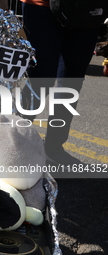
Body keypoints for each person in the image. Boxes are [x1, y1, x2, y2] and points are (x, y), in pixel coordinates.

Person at [20, 0, 102, 165]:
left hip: (87, 9)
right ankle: (12, 140)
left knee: (72, 81)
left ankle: (54, 147)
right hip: (42, 6)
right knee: (41, 78)